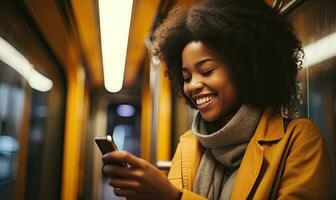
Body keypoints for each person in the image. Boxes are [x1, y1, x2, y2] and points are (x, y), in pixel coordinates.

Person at [102, 0, 333, 199]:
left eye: (207, 71)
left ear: (245, 69)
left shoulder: (299, 141)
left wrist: (174, 197)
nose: (192, 85)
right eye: (186, 76)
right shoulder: (189, 144)